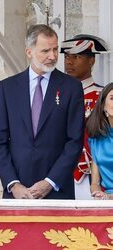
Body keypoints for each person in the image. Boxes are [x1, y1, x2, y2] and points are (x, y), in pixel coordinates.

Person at [0, 24, 84, 199]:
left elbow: (75, 141)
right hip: (17, 192)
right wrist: (13, 184)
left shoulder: (72, 87)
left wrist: (50, 182)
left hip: (57, 191)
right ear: (29, 52)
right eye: (45, 51)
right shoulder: (7, 88)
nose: (53, 56)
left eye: (56, 49)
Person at [60, 34, 109, 199]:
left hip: (92, 174)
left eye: (77, 56)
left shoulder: (102, 96)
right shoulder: (56, 94)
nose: (69, 61)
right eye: (67, 57)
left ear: (91, 61)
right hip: (60, 170)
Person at [86, 82, 113, 200]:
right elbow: (95, 183)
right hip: (107, 203)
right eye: (112, 98)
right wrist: (98, 194)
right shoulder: (96, 139)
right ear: (103, 106)